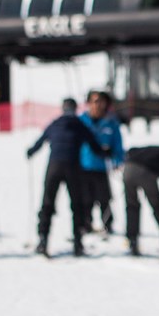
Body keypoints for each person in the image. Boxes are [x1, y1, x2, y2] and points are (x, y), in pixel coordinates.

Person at [26, 97, 108, 257]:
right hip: (72, 167)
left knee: (47, 203)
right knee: (77, 205)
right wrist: (105, 152)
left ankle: (43, 240)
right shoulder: (79, 125)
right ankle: (78, 243)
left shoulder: (55, 123)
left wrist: (30, 152)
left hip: (54, 166)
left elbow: (41, 140)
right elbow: (94, 145)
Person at [77, 90, 125, 236]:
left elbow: (118, 144)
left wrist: (118, 160)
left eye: (101, 101)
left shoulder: (111, 123)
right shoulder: (82, 121)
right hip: (83, 165)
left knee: (104, 198)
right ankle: (85, 224)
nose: (98, 105)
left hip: (102, 166)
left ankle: (108, 224)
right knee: (85, 198)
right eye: (94, 101)